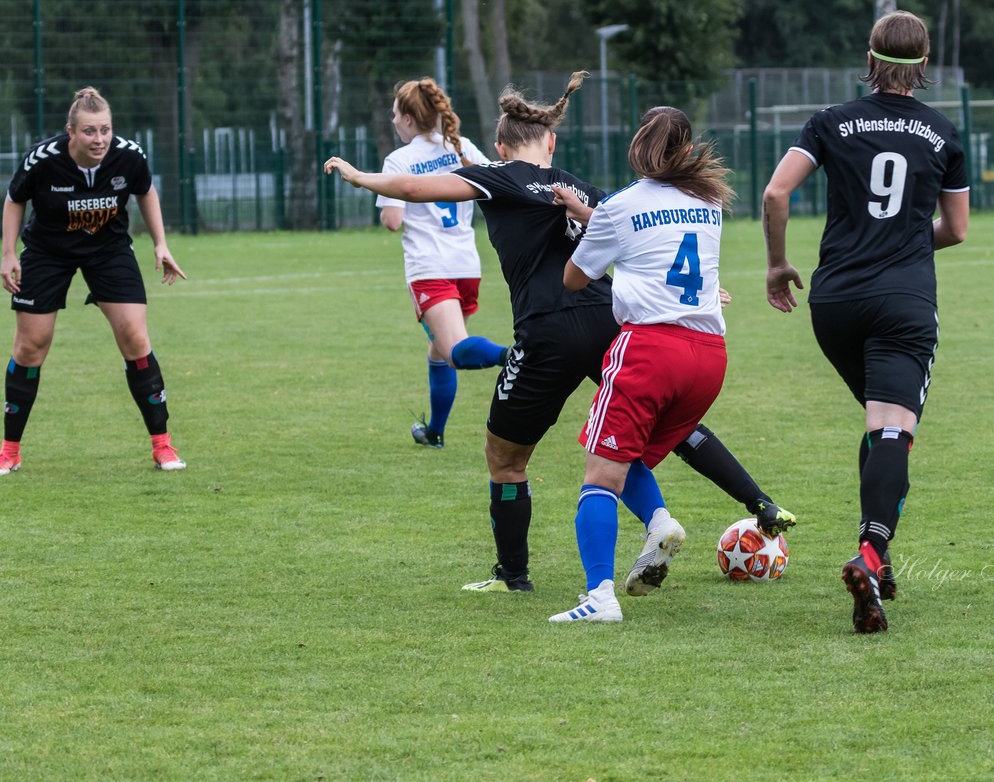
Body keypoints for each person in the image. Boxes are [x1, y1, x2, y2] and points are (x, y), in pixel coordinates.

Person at [324, 72, 794, 595]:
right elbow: (640, 240)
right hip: (606, 321)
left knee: (505, 460)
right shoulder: (584, 190)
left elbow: (413, 188)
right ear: (550, 141)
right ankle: (680, 515)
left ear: (501, 146)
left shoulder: (498, 176)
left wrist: (359, 176)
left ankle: (513, 576)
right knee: (643, 428)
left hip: (547, 331)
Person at [761, 11, 969, 633]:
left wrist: (777, 265)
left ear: (870, 58)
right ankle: (872, 554)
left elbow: (775, 193)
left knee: (880, 425)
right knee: (891, 431)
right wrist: (902, 241)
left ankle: (882, 562)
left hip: (836, 303)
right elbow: (956, 230)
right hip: (903, 302)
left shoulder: (831, 122)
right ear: (924, 64)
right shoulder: (942, 133)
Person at [548, 106, 731, 623]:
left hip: (651, 350)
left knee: (600, 474)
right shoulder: (709, 201)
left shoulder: (619, 206)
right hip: (708, 356)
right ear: (687, 149)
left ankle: (599, 596)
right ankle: (658, 522)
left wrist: (586, 222)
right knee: (629, 463)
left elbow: (575, 278)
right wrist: (598, 218)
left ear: (638, 144)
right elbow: (656, 236)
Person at [1, 86, 187, 474]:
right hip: (48, 251)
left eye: (105, 130)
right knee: (31, 347)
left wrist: (161, 244)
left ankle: (163, 446)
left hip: (109, 249)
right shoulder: (43, 159)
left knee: (136, 339)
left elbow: (145, 190)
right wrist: (7, 253)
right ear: (71, 131)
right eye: (89, 131)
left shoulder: (128, 155)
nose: (99, 139)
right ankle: (9, 451)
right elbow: (15, 198)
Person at [375, 77, 507, 450]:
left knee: (454, 351)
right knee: (439, 352)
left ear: (407, 120)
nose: (393, 120)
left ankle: (513, 356)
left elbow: (392, 221)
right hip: (466, 266)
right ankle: (434, 432)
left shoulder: (399, 159)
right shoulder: (462, 146)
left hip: (430, 268)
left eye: (395, 114)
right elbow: (496, 185)